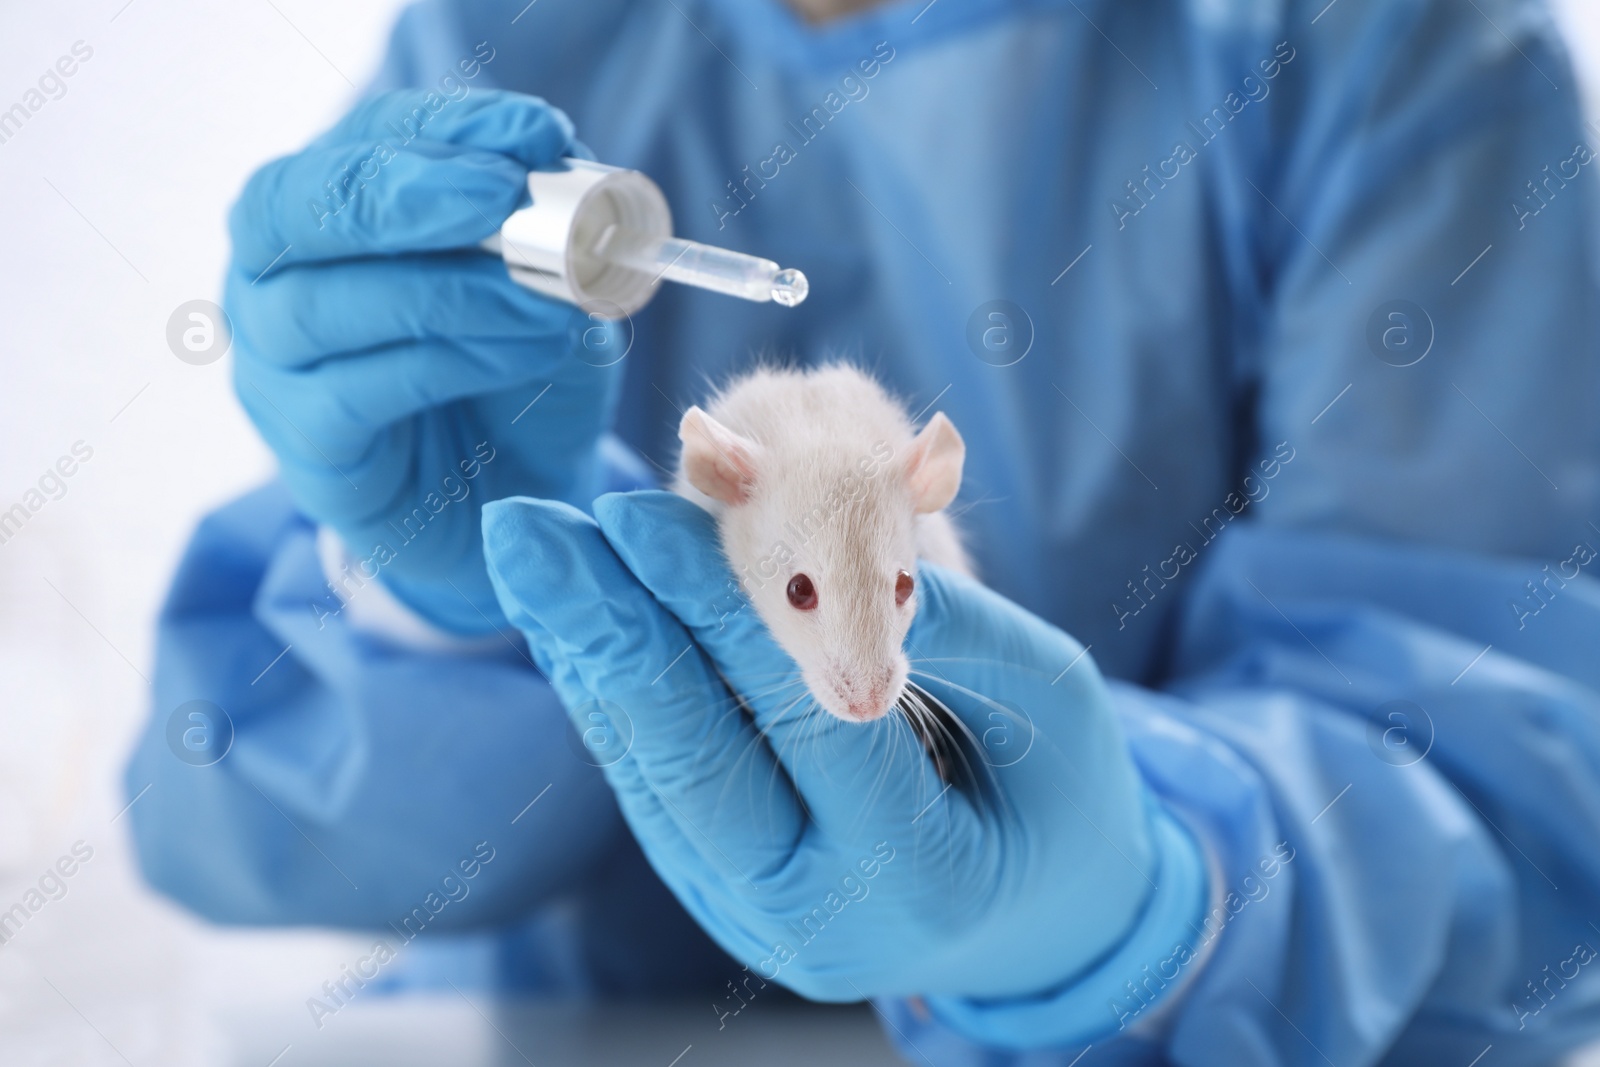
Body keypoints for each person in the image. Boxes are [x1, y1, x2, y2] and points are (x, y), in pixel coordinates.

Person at [125, 0, 1600, 1061]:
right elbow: (236, 802)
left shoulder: (1385, 47)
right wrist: (433, 590)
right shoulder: (513, 40)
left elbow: (1514, 768)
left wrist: (1147, 900)